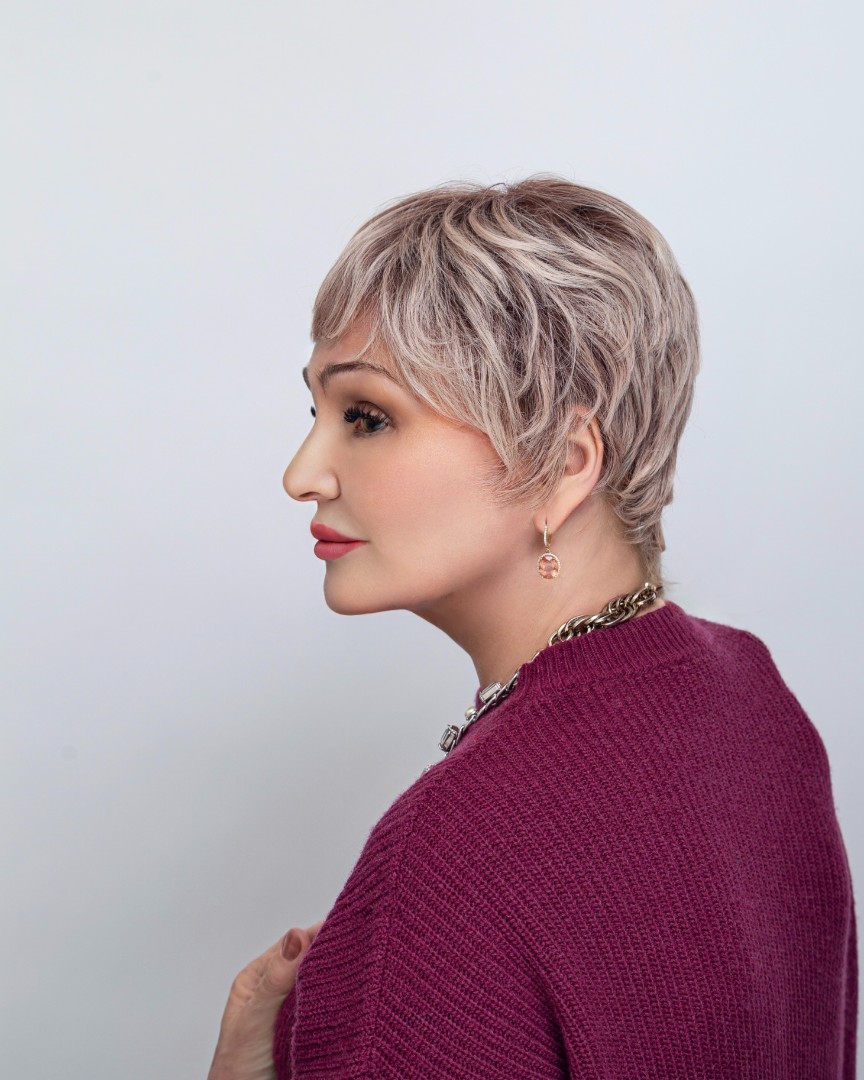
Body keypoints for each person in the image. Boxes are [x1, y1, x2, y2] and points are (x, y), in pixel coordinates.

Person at [208, 178, 857, 1079]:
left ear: (562, 463)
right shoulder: (752, 695)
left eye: (366, 417)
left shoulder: (451, 853)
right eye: (315, 413)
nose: (302, 473)